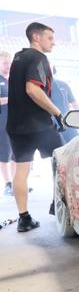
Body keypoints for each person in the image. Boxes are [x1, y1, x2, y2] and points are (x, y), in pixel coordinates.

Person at [6, 22, 64, 232]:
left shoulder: (18, 58)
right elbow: (33, 90)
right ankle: (60, 206)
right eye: (50, 38)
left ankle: (24, 218)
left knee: (22, 169)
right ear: (37, 37)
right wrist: (57, 113)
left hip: (16, 125)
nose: (53, 43)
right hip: (39, 125)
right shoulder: (39, 57)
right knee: (60, 164)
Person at [51, 65, 79, 143]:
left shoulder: (63, 85)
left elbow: (75, 105)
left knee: (76, 145)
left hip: (67, 123)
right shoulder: (38, 88)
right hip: (50, 126)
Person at [0, 50, 15, 196]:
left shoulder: (12, 80)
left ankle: (16, 184)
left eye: (9, 63)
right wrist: (11, 99)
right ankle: (7, 184)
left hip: (15, 123)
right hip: (1, 124)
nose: (8, 66)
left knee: (15, 154)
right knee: (4, 155)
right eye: (5, 63)